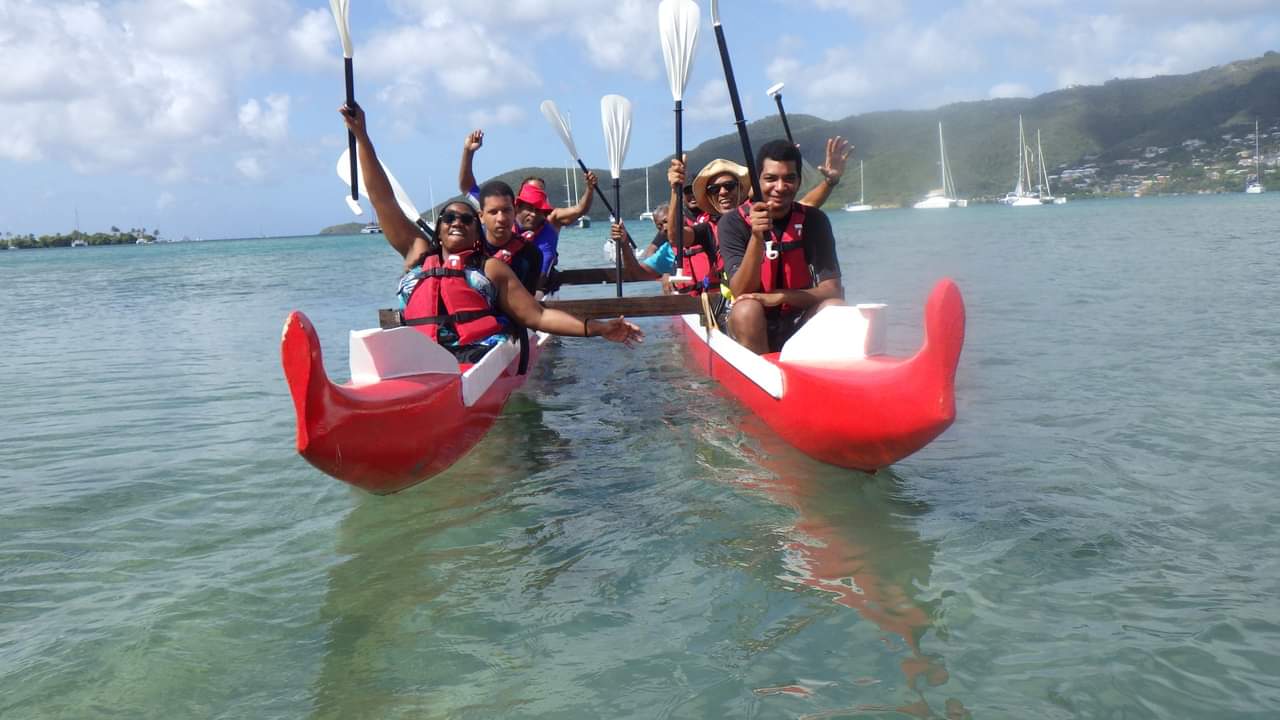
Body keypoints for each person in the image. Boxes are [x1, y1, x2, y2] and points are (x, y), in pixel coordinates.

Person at [339, 104, 643, 361]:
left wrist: (599, 328)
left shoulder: (492, 268)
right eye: (449, 218)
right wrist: (362, 137)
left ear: (477, 229)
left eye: (466, 219)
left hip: (471, 360)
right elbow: (383, 200)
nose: (457, 222)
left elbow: (537, 316)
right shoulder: (417, 251)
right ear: (439, 230)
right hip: (415, 358)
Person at [720, 139, 845, 355]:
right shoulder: (732, 223)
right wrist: (757, 237)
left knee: (835, 308)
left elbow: (832, 290)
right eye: (770, 178)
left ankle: (811, 367)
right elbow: (741, 291)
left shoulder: (815, 220)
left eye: (789, 178)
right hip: (750, 321)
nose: (780, 187)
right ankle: (760, 369)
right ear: (757, 180)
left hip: (797, 318)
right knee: (747, 309)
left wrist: (783, 296)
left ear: (799, 181)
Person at [459, 129, 597, 288]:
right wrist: (468, 151)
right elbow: (467, 187)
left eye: (538, 207)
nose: (533, 213)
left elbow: (580, 210)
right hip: (505, 286)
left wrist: (590, 189)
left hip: (540, 288)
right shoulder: (502, 208)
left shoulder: (552, 219)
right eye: (529, 206)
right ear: (517, 206)